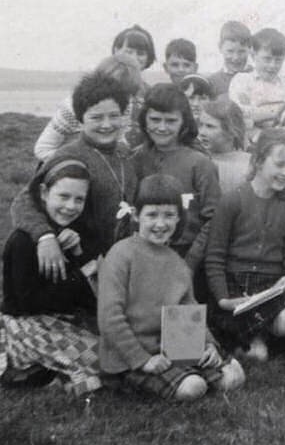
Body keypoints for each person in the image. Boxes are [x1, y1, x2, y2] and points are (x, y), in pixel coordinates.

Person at [98, 174, 245, 401]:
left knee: (233, 378)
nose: (160, 223)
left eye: (169, 215)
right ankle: (174, 380)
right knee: (193, 387)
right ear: (136, 215)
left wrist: (208, 346)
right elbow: (110, 318)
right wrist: (142, 360)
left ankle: (193, 371)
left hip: (173, 349)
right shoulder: (121, 254)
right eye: (152, 215)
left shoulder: (176, 262)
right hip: (128, 358)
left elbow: (189, 311)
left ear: (179, 218)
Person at [13, 72, 138, 268]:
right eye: (96, 117)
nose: (106, 124)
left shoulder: (126, 153)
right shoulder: (69, 155)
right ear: (80, 120)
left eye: (114, 116)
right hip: (82, 261)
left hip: (123, 261)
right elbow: (23, 201)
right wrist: (44, 236)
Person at [1, 158, 102, 394]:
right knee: (105, 359)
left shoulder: (76, 232)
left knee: (115, 350)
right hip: (27, 324)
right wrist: (77, 276)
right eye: (63, 196)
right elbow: (28, 303)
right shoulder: (23, 241)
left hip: (63, 319)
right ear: (44, 193)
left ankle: (54, 372)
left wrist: (78, 254)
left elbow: (91, 297)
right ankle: (31, 372)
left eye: (79, 199)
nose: (70, 206)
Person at [206, 128, 285, 362]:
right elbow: (215, 256)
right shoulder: (232, 200)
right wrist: (223, 298)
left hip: (271, 285)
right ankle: (248, 337)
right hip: (235, 286)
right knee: (257, 356)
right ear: (259, 161)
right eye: (280, 164)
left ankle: (258, 334)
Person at [132, 83, 221, 298]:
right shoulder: (136, 158)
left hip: (186, 255)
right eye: (155, 120)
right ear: (144, 119)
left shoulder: (200, 164)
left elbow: (213, 219)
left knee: (181, 325)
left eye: (171, 121)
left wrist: (189, 263)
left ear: (184, 123)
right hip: (143, 252)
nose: (162, 127)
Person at [34, 54, 145, 161]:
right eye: (113, 90)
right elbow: (43, 149)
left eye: (125, 94)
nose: (119, 100)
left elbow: (119, 137)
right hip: (66, 167)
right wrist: (76, 164)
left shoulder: (126, 104)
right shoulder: (71, 109)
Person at [229, 28, 285, 129]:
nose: (272, 66)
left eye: (278, 60)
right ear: (253, 55)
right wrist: (280, 109)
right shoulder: (241, 81)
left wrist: (256, 113)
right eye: (267, 59)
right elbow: (240, 115)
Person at [198, 98, 250, 194]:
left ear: (231, 131)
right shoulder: (196, 160)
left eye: (210, 126)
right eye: (200, 125)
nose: (201, 132)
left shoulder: (248, 165)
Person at [208, 21, 253, 98]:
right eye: (230, 51)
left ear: (250, 49)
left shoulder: (257, 75)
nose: (236, 57)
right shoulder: (212, 82)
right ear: (220, 47)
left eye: (241, 51)